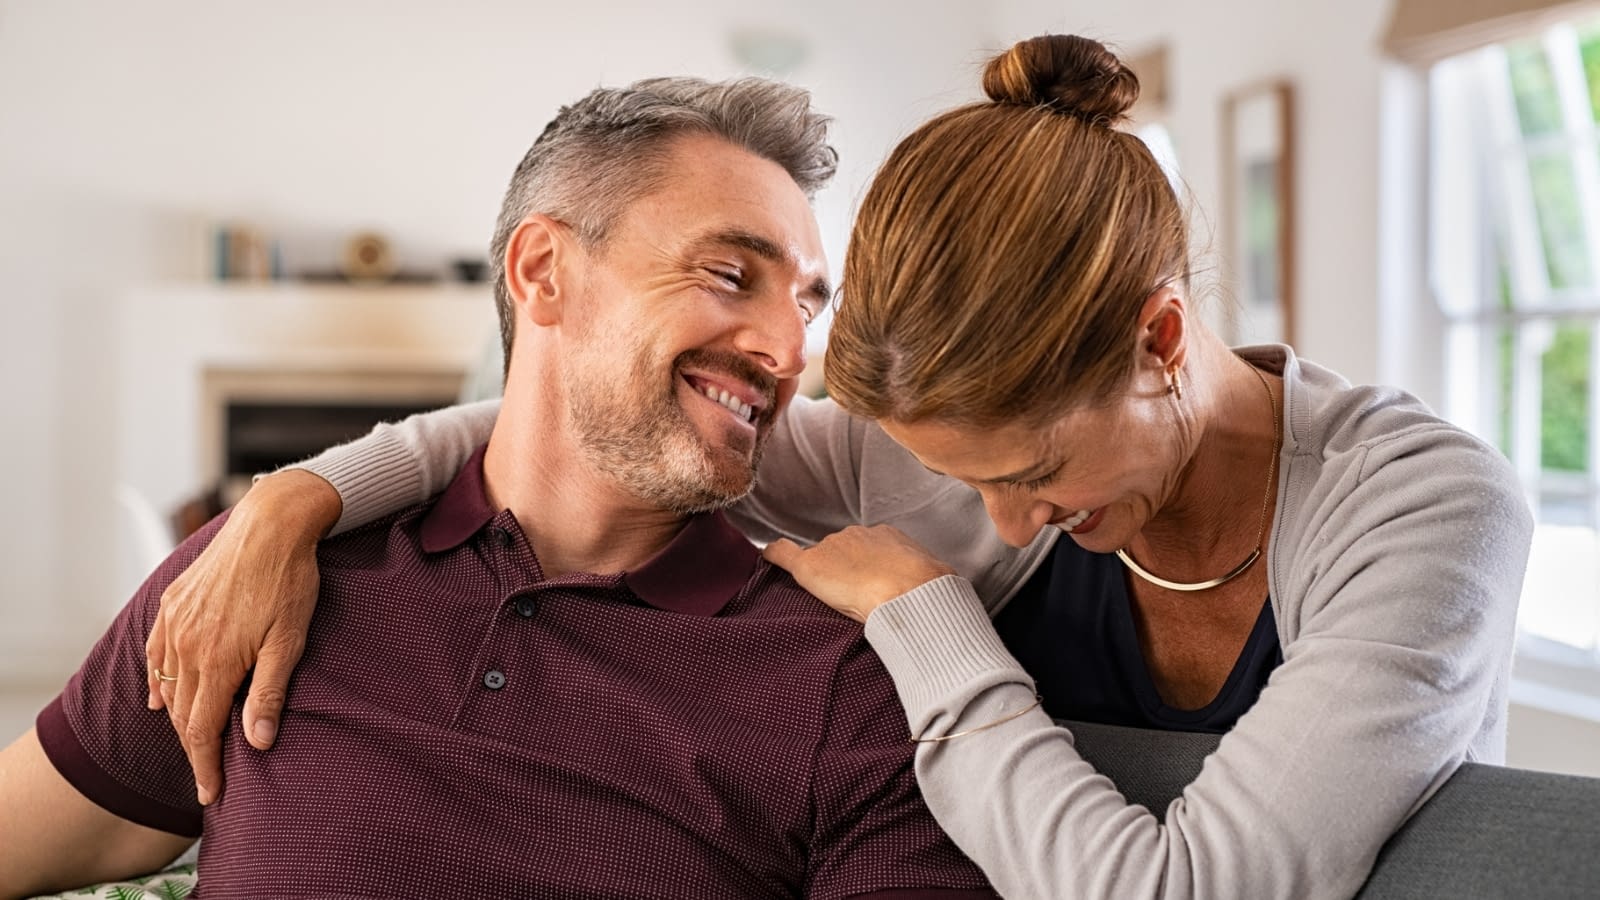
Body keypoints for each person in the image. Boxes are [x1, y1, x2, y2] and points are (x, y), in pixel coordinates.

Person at [142, 35, 1532, 900]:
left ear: (1161, 337)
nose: (996, 517)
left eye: (1036, 473)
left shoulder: (1424, 513)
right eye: (956, 477)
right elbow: (579, 430)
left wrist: (922, 616)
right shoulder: (899, 467)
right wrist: (297, 499)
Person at [0, 76, 1000, 900]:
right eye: (731, 275)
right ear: (542, 271)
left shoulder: (842, 688)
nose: (788, 350)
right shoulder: (264, 578)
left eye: (806, 305)